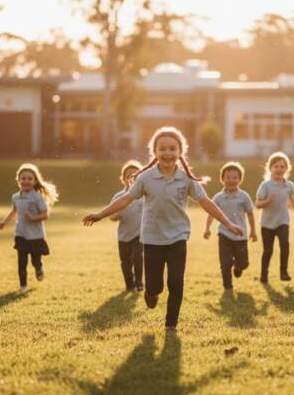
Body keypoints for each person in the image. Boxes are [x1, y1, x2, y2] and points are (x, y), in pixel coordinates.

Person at [82, 126, 243, 332]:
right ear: (155, 152)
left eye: (172, 149)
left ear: (180, 152)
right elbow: (126, 199)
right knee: (155, 286)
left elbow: (206, 202)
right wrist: (100, 215)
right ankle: (150, 293)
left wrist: (228, 223)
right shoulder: (146, 178)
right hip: (152, 239)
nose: (167, 153)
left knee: (176, 282)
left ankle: (171, 324)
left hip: (178, 237)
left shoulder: (186, 179)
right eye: (163, 149)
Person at [0, 163, 58, 293]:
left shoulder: (37, 197)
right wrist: (4, 222)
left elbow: (45, 214)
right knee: (21, 262)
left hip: (36, 236)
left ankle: (39, 268)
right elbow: (14, 211)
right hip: (21, 234)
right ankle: (23, 286)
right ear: (18, 180)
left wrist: (33, 218)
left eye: (30, 179)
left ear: (35, 181)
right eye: (23, 178)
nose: (26, 181)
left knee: (35, 261)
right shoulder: (15, 197)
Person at [204, 162, 257, 290]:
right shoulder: (218, 197)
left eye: (234, 177)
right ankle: (227, 286)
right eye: (228, 177)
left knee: (243, 263)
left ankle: (238, 266)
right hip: (224, 234)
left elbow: (250, 214)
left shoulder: (244, 197)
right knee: (225, 262)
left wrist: (253, 231)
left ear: (240, 180)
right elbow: (211, 213)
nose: (231, 180)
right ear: (222, 179)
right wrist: (207, 228)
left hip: (241, 236)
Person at [255, 151, 294, 283]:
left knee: (285, 245)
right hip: (267, 223)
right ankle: (263, 275)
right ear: (270, 168)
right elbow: (257, 204)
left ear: (286, 169)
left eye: (282, 167)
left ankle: (283, 272)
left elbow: (291, 199)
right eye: (276, 166)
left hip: (283, 221)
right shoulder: (265, 186)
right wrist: (267, 201)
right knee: (268, 251)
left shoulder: (289, 185)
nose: (279, 169)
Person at [110, 160, 145, 292]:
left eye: (135, 175)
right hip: (124, 235)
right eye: (128, 175)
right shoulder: (119, 196)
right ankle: (129, 284)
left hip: (139, 234)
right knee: (125, 262)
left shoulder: (144, 196)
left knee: (138, 257)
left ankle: (139, 282)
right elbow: (111, 215)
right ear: (123, 179)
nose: (132, 178)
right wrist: (115, 216)